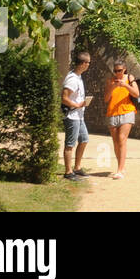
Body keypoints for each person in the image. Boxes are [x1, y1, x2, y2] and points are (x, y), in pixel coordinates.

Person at [105, 59, 140, 179]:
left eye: (119, 70)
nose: (117, 73)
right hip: (112, 113)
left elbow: (136, 93)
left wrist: (125, 85)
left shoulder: (130, 78)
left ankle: (119, 170)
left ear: (124, 69)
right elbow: (106, 98)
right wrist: (113, 87)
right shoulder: (111, 80)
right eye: (115, 71)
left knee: (122, 139)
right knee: (115, 142)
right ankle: (121, 166)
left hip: (127, 111)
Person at [61, 51, 91, 181]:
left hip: (79, 116)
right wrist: (77, 105)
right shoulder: (73, 79)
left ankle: (77, 167)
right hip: (72, 116)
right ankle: (68, 171)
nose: (89, 65)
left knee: (84, 140)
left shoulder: (78, 77)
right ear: (83, 64)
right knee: (70, 144)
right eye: (88, 63)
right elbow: (64, 98)